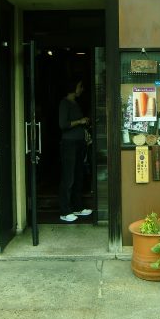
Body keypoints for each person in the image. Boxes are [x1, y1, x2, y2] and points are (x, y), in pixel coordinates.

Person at [58, 77, 93, 222]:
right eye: (80, 86)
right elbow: (63, 124)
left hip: (79, 143)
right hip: (69, 144)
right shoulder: (64, 103)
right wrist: (80, 121)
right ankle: (65, 211)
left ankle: (77, 207)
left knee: (78, 175)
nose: (81, 89)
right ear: (73, 88)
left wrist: (84, 122)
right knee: (69, 177)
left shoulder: (75, 103)